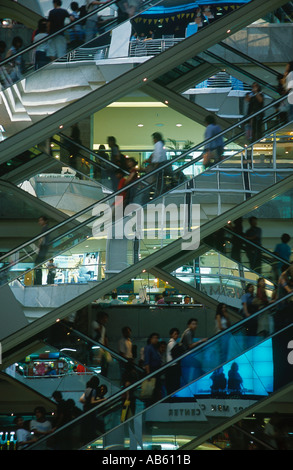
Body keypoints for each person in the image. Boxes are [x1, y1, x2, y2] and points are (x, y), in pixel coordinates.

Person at [34, 216, 50, 285]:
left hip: (43, 247)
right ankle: (38, 281)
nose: (39, 222)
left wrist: (39, 245)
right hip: (44, 247)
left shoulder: (45, 228)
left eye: (40, 220)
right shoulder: (45, 228)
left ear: (45, 221)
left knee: (38, 263)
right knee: (38, 264)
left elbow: (42, 238)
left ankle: (38, 282)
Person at [165, 327, 181, 395]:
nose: (176, 335)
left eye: (177, 334)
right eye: (175, 334)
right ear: (171, 335)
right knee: (174, 383)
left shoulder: (172, 343)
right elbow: (175, 354)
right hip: (173, 365)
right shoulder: (172, 343)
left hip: (171, 365)